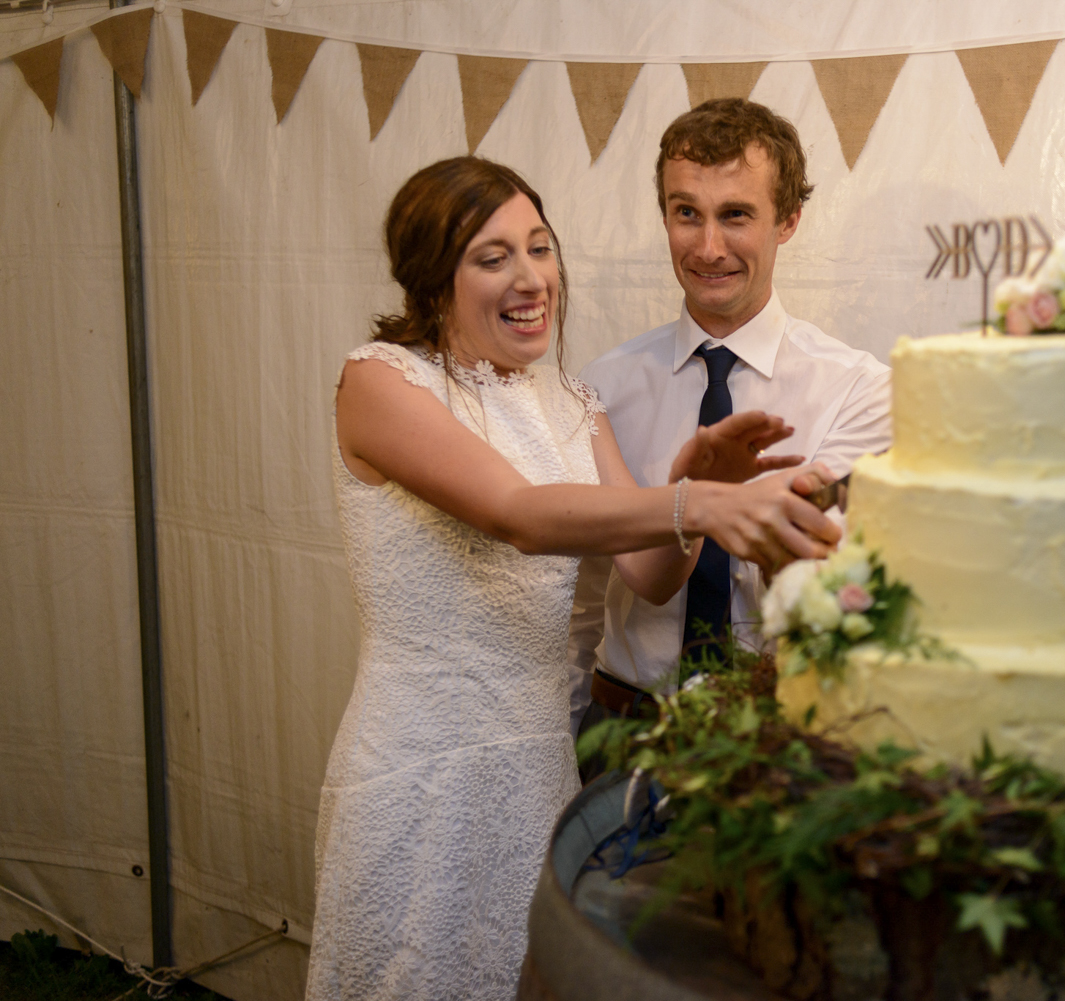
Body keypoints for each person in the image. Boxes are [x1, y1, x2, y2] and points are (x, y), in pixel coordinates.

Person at [307, 156, 839, 1001]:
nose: (531, 279)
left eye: (541, 248)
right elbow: (518, 513)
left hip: (539, 769)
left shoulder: (573, 402)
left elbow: (652, 574)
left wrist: (710, 479)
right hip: (422, 764)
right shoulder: (381, 380)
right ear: (431, 276)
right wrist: (690, 499)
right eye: (493, 257)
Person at [569, 99, 892, 738]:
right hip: (622, 727)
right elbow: (579, 597)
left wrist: (743, 509)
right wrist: (570, 737)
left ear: (789, 221)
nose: (709, 248)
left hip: (779, 736)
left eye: (736, 215)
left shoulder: (859, 388)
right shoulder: (600, 389)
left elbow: (846, 595)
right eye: (686, 213)